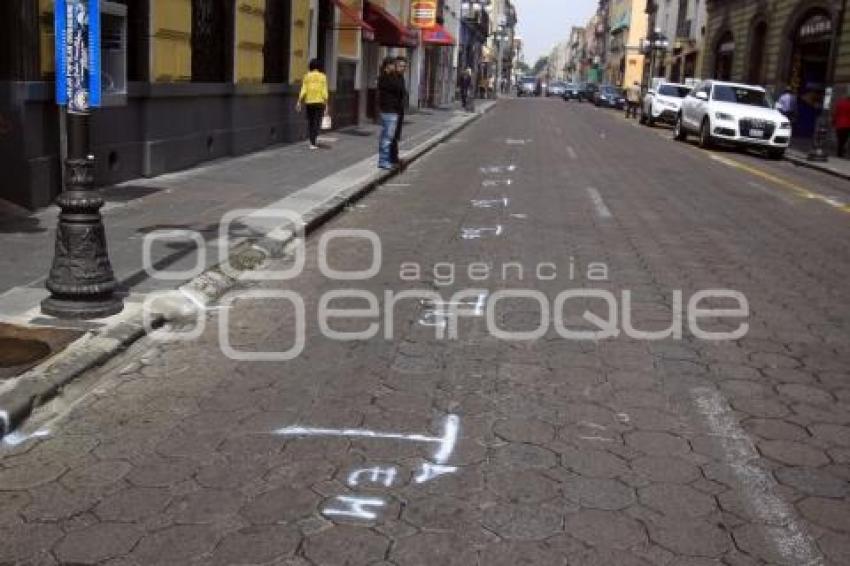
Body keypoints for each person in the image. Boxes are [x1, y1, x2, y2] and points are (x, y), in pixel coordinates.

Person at [377, 57, 404, 170]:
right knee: (387, 137)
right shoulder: (385, 78)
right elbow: (398, 88)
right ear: (388, 65)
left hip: (392, 110)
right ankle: (383, 161)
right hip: (389, 110)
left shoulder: (391, 77)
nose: (395, 67)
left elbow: (400, 89)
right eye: (393, 65)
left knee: (388, 137)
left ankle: (386, 159)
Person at [295, 59, 329, 150]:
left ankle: (312, 142)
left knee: (311, 122)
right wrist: (326, 103)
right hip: (319, 102)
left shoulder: (306, 76)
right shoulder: (323, 77)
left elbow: (304, 89)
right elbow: (324, 91)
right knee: (316, 122)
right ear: (319, 67)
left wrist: (299, 101)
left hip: (309, 102)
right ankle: (313, 142)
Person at [391, 56, 409, 166]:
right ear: (395, 66)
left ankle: (395, 157)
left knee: (396, 135)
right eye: (400, 66)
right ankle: (392, 158)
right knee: (392, 135)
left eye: (404, 66)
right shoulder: (392, 78)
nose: (402, 68)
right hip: (393, 111)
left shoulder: (401, 77)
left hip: (399, 110)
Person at [834, 87, 850, 158]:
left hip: (839, 124)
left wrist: (834, 121)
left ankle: (839, 152)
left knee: (840, 140)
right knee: (844, 140)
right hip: (847, 125)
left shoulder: (839, 103)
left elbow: (835, 113)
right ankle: (842, 152)